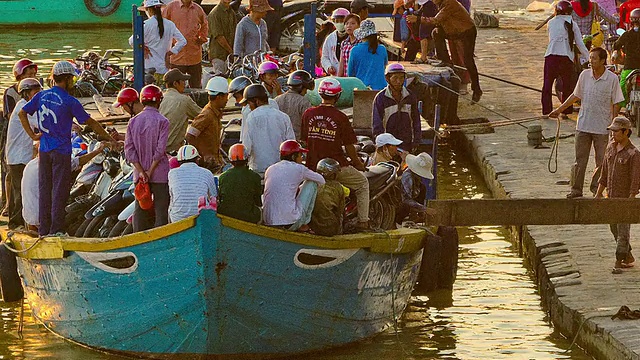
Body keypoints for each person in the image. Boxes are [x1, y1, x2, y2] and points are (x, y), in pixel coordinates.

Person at [19, 60, 115, 236]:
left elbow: (22, 113)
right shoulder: (69, 101)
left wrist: (33, 136)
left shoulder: (41, 96)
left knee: (45, 190)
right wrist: (109, 138)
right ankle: (56, 230)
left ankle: (44, 231)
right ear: (67, 79)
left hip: (44, 151)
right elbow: (91, 122)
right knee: (59, 193)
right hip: (61, 152)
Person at [549, 47, 625, 198]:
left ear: (603, 61)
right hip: (583, 125)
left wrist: (613, 125)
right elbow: (575, 96)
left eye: (594, 58)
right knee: (579, 161)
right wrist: (560, 109)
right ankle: (576, 190)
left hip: (602, 128)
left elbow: (617, 103)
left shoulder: (612, 79)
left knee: (602, 162)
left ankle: (596, 189)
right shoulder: (584, 75)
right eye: (590, 58)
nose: (591, 61)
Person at [301, 78, 370, 230]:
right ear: (337, 96)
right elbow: (349, 146)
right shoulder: (341, 117)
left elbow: (305, 141)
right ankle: (363, 221)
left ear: (320, 95)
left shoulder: (308, 114)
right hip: (336, 166)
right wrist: (358, 163)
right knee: (363, 184)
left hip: (313, 166)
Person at [408, 0, 483, 102]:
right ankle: (445, 60)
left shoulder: (450, 4)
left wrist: (417, 19)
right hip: (454, 31)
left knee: (468, 60)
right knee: (436, 32)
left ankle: (477, 89)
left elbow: (435, 20)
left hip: (467, 32)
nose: (433, 1)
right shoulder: (439, 4)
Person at [22, 142, 106, 231]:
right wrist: (98, 151)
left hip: (28, 217)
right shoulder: (52, 163)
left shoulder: (31, 164)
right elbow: (79, 161)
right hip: (41, 218)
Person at [595, 117, 640, 273]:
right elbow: (604, 173)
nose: (613, 134)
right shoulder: (610, 148)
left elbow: (635, 180)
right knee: (614, 227)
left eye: (616, 131)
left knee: (623, 230)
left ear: (626, 132)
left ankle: (619, 258)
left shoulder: (633, 153)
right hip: (611, 197)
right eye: (612, 131)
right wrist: (598, 194)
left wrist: (631, 199)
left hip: (624, 199)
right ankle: (627, 256)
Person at [124, 84, 171, 232]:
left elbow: (129, 150)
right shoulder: (163, 121)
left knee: (140, 210)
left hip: (139, 175)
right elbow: (160, 150)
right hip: (160, 173)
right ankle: (160, 243)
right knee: (161, 211)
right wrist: (150, 171)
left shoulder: (133, 121)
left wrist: (141, 171)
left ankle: (138, 240)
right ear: (159, 101)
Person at [263, 140, 325, 232]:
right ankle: (304, 223)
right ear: (293, 156)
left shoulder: (270, 169)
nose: (301, 158)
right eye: (300, 155)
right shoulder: (299, 168)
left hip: (269, 221)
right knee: (312, 183)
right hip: (289, 222)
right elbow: (321, 180)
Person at [542, 0, 590, 116]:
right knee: (567, 85)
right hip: (566, 57)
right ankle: (565, 111)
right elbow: (579, 43)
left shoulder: (551, 23)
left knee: (547, 85)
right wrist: (588, 57)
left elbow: (552, 39)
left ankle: (546, 111)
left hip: (551, 56)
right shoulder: (572, 24)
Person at [2, 58, 37, 216]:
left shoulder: (27, 102)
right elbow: (13, 116)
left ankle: (19, 217)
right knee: (16, 184)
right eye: (28, 74)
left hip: (24, 148)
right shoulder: (16, 99)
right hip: (16, 147)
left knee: (21, 185)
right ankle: (12, 214)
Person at [5, 78, 40, 229]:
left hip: (18, 154)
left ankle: (17, 222)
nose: (38, 95)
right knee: (20, 191)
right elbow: (42, 122)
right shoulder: (25, 107)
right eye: (35, 92)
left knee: (17, 190)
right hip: (18, 156)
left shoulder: (24, 105)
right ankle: (16, 225)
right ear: (26, 93)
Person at [241, 84, 295, 177]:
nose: (249, 107)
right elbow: (291, 144)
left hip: (259, 170)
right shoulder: (283, 117)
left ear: (256, 101)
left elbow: (246, 148)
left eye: (249, 103)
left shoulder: (251, 118)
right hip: (280, 170)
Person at [128, 0, 187, 85]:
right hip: (164, 70)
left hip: (149, 70)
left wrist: (143, 48)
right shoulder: (170, 24)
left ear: (148, 10)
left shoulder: (146, 24)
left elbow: (131, 41)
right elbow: (183, 41)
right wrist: (170, 53)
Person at [372, 63, 421, 151]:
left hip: (407, 141)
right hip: (389, 144)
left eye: (401, 78)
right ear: (388, 79)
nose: (398, 81)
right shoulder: (381, 98)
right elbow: (377, 124)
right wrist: (382, 143)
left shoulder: (410, 96)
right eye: (395, 78)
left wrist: (416, 140)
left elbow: (416, 120)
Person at [186, 76, 229, 173]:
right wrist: (202, 155)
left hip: (215, 164)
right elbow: (190, 136)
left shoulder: (214, 113)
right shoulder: (207, 115)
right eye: (226, 96)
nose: (227, 100)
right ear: (219, 97)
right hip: (208, 167)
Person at [163, 0, 209, 88]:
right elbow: (162, 25)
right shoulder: (171, 7)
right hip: (176, 57)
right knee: (175, 88)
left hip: (194, 56)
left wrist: (201, 38)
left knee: (196, 87)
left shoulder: (198, 9)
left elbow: (205, 25)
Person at [168, 145, 217, 222]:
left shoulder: (172, 173)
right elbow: (213, 196)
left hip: (177, 217)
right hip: (201, 215)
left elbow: (172, 196)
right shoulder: (207, 173)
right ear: (197, 160)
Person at [159, 68, 202, 153]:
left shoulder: (161, 98)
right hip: (172, 149)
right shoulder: (184, 100)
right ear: (175, 83)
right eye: (183, 81)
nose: (185, 84)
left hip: (158, 147)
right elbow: (203, 116)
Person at [217, 143, 262, 223]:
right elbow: (258, 201)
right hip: (249, 217)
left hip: (226, 215)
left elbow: (221, 198)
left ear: (230, 160)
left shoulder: (222, 177)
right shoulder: (255, 176)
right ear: (247, 159)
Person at [309, 158, 346, 236]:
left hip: (311, 226)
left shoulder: (311, 183)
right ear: (333, 174)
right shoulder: (337, 187)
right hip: (329, 228)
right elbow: (340, 210)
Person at [347, 20, 388, 90]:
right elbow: (384, 67)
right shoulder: (382, 49)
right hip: (381, 88)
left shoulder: (354, 50)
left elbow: (350, 74)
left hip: (361, 88)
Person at [396, 152, 434, 225]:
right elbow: (406, 200)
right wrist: (424, 209)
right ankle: (398, 222)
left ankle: (418, 216)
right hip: (400, 203)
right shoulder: (408, 177)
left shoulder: (416, 177)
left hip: (409, 200)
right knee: (405, 206)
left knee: (422, 188)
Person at [613, 8, 640, 107]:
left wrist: (617, 52)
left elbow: (616, 45)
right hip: (631, 67)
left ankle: (622, 109)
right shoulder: (626, 34)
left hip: (629, 68)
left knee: (621, 90)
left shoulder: (627, 34)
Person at [275, 70, 314, 139]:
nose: (306, 92)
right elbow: (310, 124)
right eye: (306, 89)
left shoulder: (276, 100)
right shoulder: (304, 102)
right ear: (302, 87)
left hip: (279, 141)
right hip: (297, 142)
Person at [208, 0, 238, 75]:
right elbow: (219, 37)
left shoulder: (231, 12)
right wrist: (231, 51)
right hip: (219, 55)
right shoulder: (215, 13)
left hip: (229, 55)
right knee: (220, 80)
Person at [321, 8, 351, 76]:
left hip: (350, 75)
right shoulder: (330, 38)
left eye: (342, 21)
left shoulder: (352, 37)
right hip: (335, 75)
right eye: (337, 21)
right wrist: (328, 67)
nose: (339, 23)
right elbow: (324, 57)